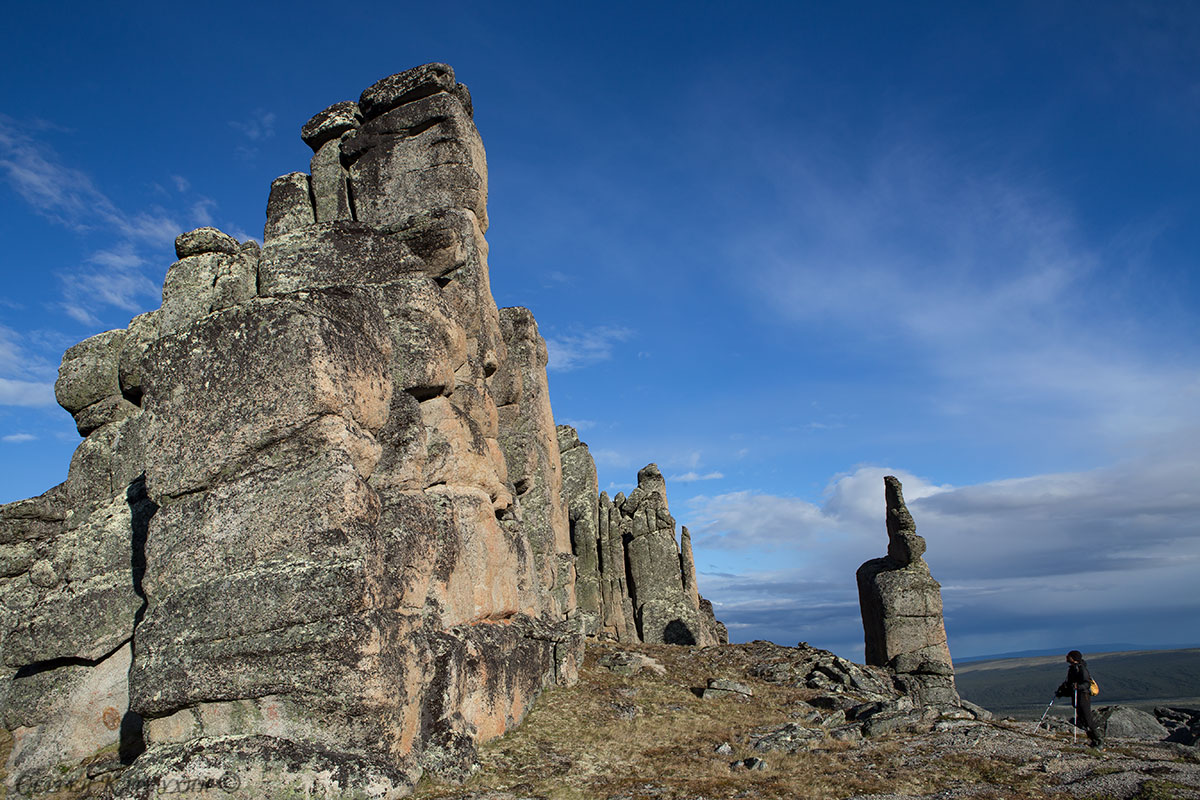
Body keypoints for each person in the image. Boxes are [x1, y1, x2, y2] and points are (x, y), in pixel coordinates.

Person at [1056, 650, 1103, 748]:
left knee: (1087, 719)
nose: (1066, 657)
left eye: (1069, 656)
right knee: (1082, 719)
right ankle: (1094, 741)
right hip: (1077, 696)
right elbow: (1069, 684)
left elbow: (1086, 684)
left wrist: (1078, 687)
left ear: (1073, 658)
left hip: (1083, 697)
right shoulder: (1073, 669)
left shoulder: (1081, 669)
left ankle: (1099, 741)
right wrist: (1062, 691)